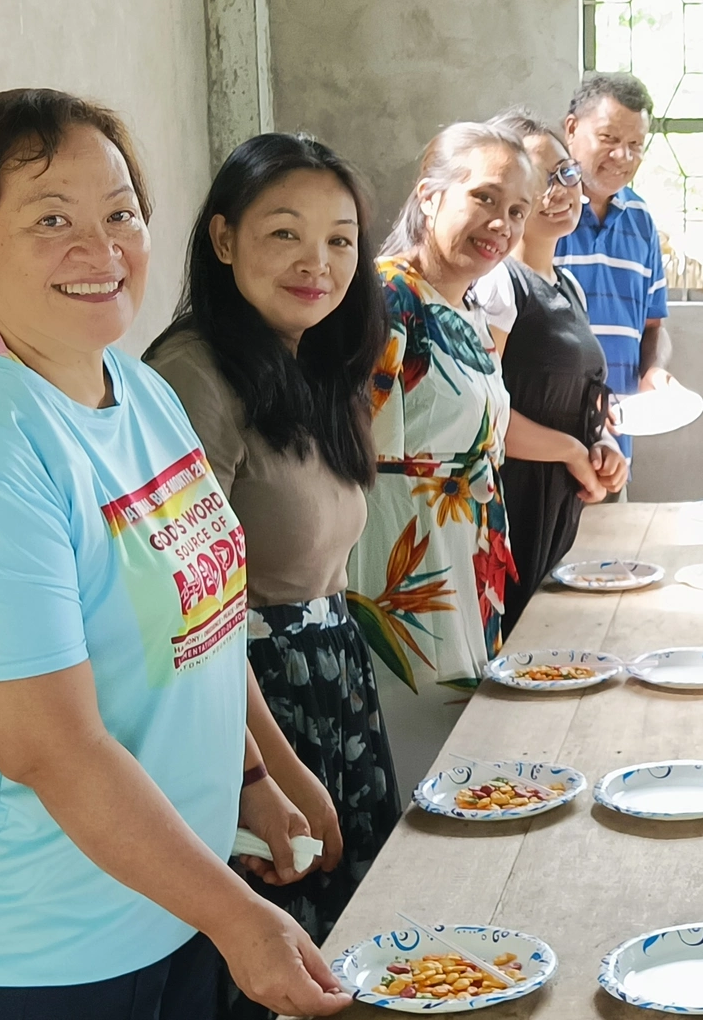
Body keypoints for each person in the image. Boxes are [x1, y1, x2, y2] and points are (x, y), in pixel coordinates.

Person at [0, 89, 347, 1018]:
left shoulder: (138, 391)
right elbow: (54, 751)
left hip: (170, 902)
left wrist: (257, 775)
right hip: (35, 951)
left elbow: (201, 623)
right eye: (52, 220)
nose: (102, 249)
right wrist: (238, 916)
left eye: (121, 214)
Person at [141, 132, 404, 1020]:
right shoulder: (192, 374)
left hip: (327, 678)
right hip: (249, 700)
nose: (316, 262)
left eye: (339, 239)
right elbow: (190, 610)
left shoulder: (311, 364)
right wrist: (269, 769)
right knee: (272, 965)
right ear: (223, 238)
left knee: (347, 948)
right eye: (284, 232)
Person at [353, 123, 530, 701]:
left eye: (517, 211)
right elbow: (353, 453)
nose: (502, 224)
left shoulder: (469, 310)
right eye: (485, 198)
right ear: (429, 196)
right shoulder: (389, 297)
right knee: (420, 734)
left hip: (466, 551)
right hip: (404, 561)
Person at [473, 108, 628, 631]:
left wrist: (599, 443)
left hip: (560, 505)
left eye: (567, 172)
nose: (562, 189)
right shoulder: (497, 284)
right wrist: (570, 450)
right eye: (542, 179)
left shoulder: (568, 285)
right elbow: (481, 413)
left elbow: (568, 398)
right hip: (515, 505)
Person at [558, 71, 674, 455]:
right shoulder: (540, 213)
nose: (623, 156)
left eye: (635, 144)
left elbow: (652, 327)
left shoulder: (641, 221)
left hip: (615, 446)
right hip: (549, 441)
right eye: (608, 138)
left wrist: (653, 370)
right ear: (571, 129)